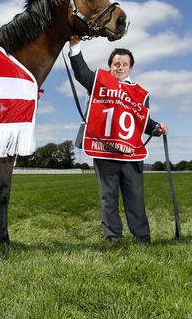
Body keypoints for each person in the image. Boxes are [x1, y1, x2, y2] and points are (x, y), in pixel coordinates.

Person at [68, 35, 168, 243]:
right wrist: (75, 45)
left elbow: (143, 120)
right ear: (109, 66)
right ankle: (113, 238)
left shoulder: (140, 93)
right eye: (116, 64)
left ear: (130, 68)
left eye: (125, 64)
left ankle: (142, 237)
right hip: (104, 152)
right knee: (108, 198)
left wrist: (157, 128)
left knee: (135, 198)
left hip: (131, 153)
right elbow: (80, 72)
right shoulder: (97, 81)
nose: (120, 68)